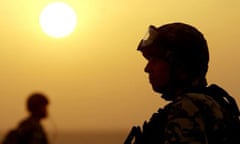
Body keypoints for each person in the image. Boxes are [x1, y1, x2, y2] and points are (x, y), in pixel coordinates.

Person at [125, 22, 240, 144]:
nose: (147, 68)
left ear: (179, 65)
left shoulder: (187, 108)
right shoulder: (213, 104)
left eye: (155, 60)